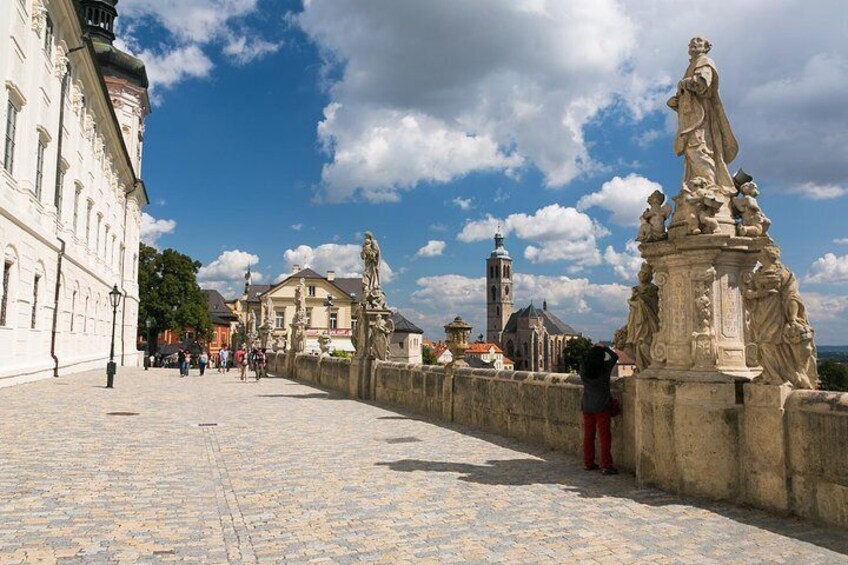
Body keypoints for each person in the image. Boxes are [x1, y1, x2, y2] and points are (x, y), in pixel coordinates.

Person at [579, 343, 619, 475]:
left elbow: (583, 358)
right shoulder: (605, 368)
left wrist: (591, 350)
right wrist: (605, 347)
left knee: (588, 436)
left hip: (587, 405)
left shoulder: (584, 369)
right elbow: (614, 356)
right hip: (602, 406)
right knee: (604, 437)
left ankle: (588, 462)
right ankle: (606, 465)